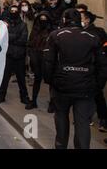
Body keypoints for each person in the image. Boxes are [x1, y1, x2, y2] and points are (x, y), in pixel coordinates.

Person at [44, 9, 107, 149]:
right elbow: (102, 66)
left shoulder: (56, 35)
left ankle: (61, 146)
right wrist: (97, 86)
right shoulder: (92, 37)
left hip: (62, 87)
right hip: (85, 88)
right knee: (83, 122)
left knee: (61, 118)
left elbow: (48, 62)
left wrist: (51, 81)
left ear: (65, 20)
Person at [0, 5, 30, 105]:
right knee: (5, 78)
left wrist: (10, 38)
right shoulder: (5, 24)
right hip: (8, 55)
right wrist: (15, 36)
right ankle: (1, 96)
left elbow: (23, 39)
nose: (13, 12)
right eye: (12, 10)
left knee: (21, 79)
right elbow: (3, 37)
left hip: (19, 55)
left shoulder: (23, 25)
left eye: (15, 10)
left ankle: (24, 97)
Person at [80, 11, 107, 132]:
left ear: (87, 20)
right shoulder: (79, 31)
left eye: (81, 17)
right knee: (85, 94)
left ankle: (103, 118)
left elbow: (104, 47)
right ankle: (87, 117)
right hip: (84, 67)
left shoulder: (98, 32)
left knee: (97, 94)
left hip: (96, 68)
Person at [26, 12, 53, 110]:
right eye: (41, 19)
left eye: (44, 19)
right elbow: (30, 43)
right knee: (37, 80)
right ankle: (34, 101)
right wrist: (31, 55)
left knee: (50, 81)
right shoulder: (35, 30)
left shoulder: (51, 31)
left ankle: (52, 102)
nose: (42, 21)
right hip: (36, 57)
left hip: (47, 59)